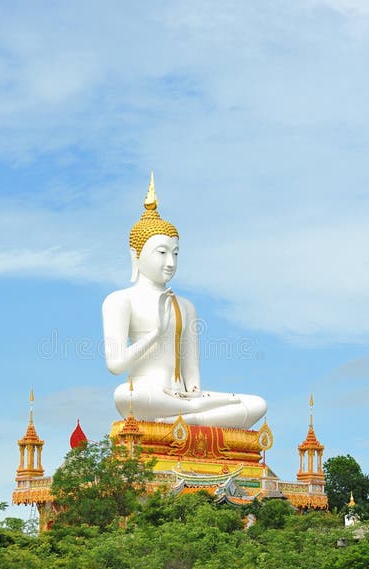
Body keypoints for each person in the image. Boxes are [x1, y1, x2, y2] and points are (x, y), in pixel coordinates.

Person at [102, 175, 267, 428]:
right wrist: (156, 332)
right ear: (136, 255)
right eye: (162, 252)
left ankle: (183, 419)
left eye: (175, 253)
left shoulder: (186, 306)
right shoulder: (120, 300)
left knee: (256, 404)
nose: (170, 262)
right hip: (148, 394)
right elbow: (115, 365)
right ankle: (189, 418)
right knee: (125, 395)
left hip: (184, 398)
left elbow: (192, 377)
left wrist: (195, 394)